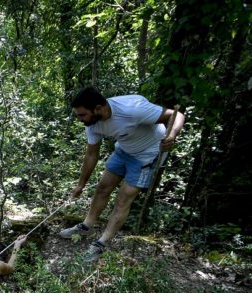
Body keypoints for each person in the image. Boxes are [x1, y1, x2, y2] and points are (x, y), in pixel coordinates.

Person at [59, 87, 185, 261]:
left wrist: (171, 135)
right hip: (123, 151)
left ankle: (101, 243)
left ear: (97, 108)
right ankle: (86, 227)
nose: (80, 119)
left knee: (123, 198)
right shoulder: (92, 123)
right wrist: (81, 184)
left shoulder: (132, 109)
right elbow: (91, 154)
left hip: (147, 155)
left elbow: (177, 115)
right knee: (103, 188)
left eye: (82, 115)